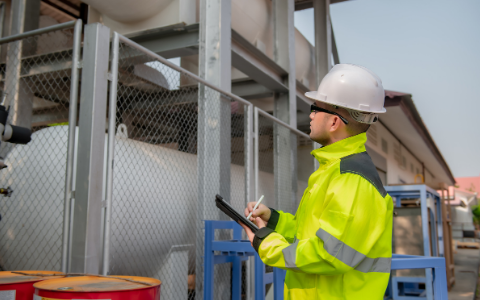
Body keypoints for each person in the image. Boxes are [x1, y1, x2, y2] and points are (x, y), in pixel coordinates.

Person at [240, 64, 394, 299]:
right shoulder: (334, 171)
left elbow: (330, 253)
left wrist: (268, 245)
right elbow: (311, 235)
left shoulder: (352, 178)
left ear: (334, 122)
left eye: (315, 108)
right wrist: (273, 219)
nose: (310, 115)